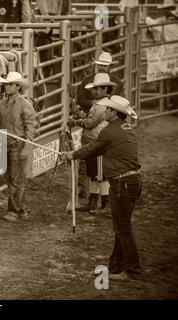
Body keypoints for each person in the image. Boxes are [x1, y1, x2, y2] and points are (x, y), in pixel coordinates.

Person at [66, 95, 142, 281]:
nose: (105, 111)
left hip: (121, 183)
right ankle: (115, 266)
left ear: (114, 113)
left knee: (122, 228)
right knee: (122, 227)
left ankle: (132, 270)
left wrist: (73, 154)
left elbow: (93, 148)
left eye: (108, 109)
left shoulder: (111, 130)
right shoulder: (126, 128)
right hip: (131, 181)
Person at [75, 51, 124, 199]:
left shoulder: (104, 99)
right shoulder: (90, 83)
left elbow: (91, 121)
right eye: (101, 65)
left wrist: (83, 117)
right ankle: (91, 194)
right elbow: (80, 100)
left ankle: (100, 197)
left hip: (96, 132)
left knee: (97, 168)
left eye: (105, 65)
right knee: (92, 166)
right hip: (97, 129)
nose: (103, 67)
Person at [68, 73, 117, 214]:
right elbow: (91, 119)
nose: (94, 92)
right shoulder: (101, 104)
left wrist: (76, 121)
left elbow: (90, 123)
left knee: (99, 174)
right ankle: (95, 201)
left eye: (96, 89)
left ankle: (103, 204)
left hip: (97, 143)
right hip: (94, 142)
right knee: (94, 174)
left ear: (103, 89)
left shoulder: (102, 105)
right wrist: (81, 115)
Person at [0, 72, 37, 222]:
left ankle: (15, 210)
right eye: (6, 84)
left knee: (16, 179)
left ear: (18, 86)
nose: (7, 87)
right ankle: (20, 209)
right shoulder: (0, 104)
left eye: (11, 84)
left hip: (18, 144)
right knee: (10, 178)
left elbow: (30, 126)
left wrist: (27, 147)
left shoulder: (25, 105)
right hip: (6, 143)